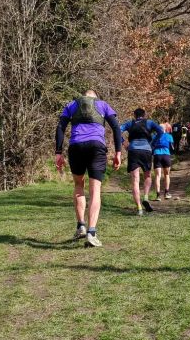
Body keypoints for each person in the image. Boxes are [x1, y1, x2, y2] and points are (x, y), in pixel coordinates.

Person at [55, 90, 122, 247]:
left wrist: (58, 153)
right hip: (96, 147)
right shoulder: (103, 105)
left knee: (79, 185)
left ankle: (81, 226)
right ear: (95, 97)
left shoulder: (71, 104)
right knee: (95, 189)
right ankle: (92, 233)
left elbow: (60, 127)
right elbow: (116, 128)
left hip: (76, 146)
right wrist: (118, 152)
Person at [119, 107, 162, 215]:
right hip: (146, 150)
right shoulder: (149, 122)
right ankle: (146, 197)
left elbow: (118, 130)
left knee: (135, 180)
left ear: (134, 115)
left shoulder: (130, 123)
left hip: (133, 151)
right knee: (147, 175)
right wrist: (153, 143)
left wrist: (123, 142)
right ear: (144, 114)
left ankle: (139, 208)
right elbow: (161, 131)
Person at [152, 121, 176, 199]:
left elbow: (151, 145)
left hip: (157, 155)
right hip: (166, 155)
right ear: (165, 129)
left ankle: (158, 195)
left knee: (157, 176)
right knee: (167, 175)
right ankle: (167, 193)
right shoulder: (169, 136)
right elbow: (172, 147)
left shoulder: (154, 136)